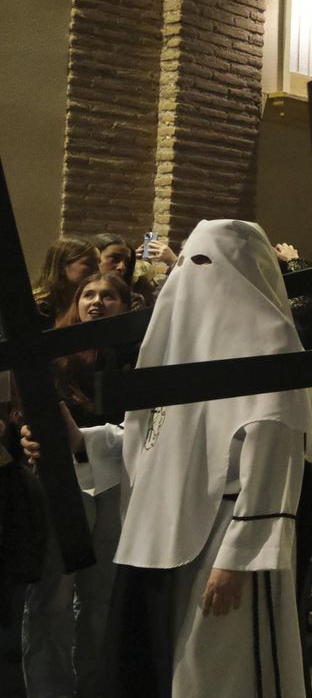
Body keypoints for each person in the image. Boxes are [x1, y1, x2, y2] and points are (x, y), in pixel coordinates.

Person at [28, 219, 312, 698]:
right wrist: (83, 442)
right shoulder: (177, 348)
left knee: (221, 669)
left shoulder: (270, 347)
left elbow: (276, 458)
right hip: (170, 533)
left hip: (226, 536)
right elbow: (157, 436)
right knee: (175, 665)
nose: (195, 278)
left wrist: (237, 559)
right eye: (189, 264)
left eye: (208, 264)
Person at [17, 273, 132, 696]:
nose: (97, 301)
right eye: (89, 294)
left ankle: (95, 687)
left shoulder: (127, 355)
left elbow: (141, 422)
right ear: (76, 302)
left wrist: (90, 439)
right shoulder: (53, 355)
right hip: (61, 482)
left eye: (108, 295)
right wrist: (29, 437)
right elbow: (27, 418)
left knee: (101, 596)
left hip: (116, 483)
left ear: (125, 305)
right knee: (54, 598)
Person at [31, 237, 97, 328]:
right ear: (62, 266)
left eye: (98, 264)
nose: (97, 269)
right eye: (89, 263)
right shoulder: (40, 308)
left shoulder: (86, 302)